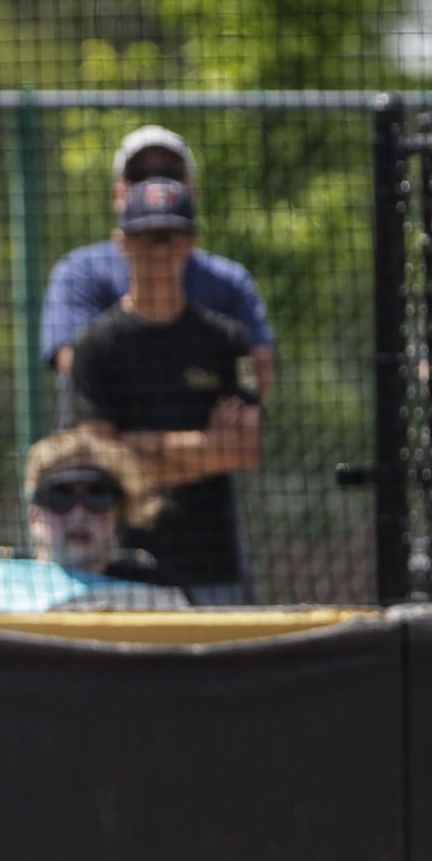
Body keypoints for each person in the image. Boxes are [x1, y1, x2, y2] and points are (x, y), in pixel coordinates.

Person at [66, 177, 262, 604]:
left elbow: (246, 448)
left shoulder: (227, 339)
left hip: (213, 561)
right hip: (122, 563)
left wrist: (136, 446)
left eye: (172, 236)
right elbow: (101, 460)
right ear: (122, 243)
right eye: (148, 236)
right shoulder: (95, 346)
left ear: (191, 243)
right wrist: (210, 446)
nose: (160, 250)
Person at [40, 125, 276, 420]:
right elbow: (76, 368)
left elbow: (255, 372)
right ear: (117, 192)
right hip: (101, 453)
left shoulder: (227, 280)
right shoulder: (78, 272)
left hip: (206, 457)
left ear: (192, 190)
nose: (154, 184)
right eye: (138, 174)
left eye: (171, 173)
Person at [0, 428, 189, 612]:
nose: (79, 514)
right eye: (61, 497)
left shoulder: (154, 599)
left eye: (97, 497)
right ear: (35, 518)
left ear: (117, 513)